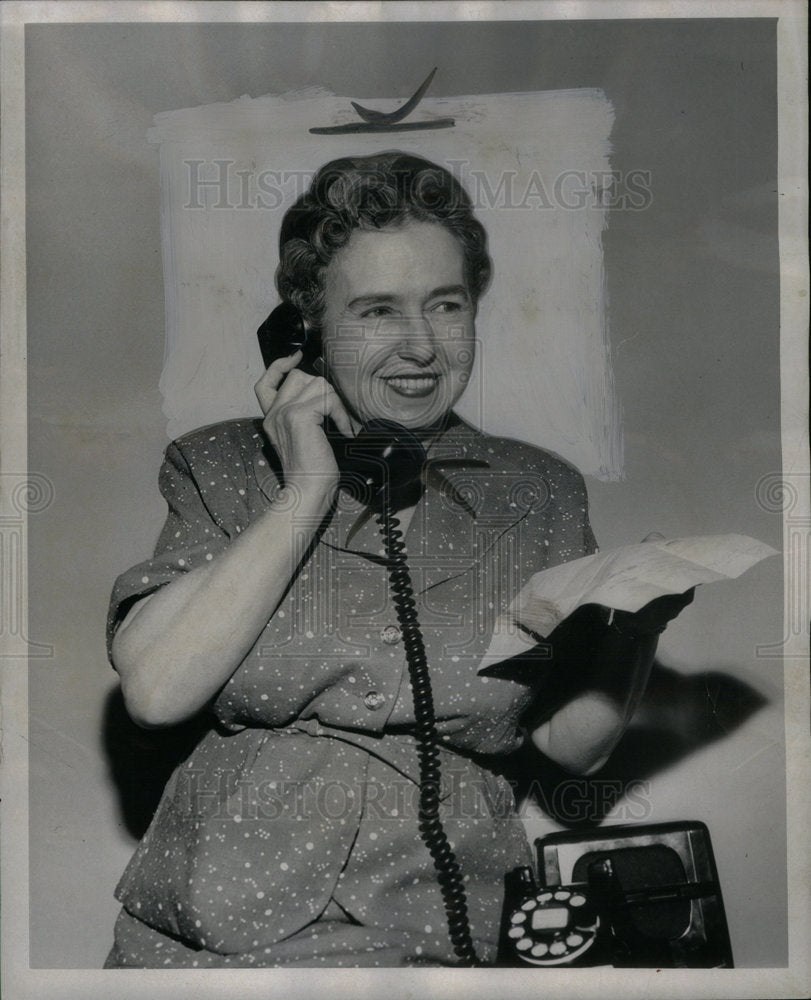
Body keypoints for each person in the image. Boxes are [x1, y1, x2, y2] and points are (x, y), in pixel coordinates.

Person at [104, 152, 691, 968]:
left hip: (443, 924)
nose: (421, 346)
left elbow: (569, 750)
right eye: (377, 311)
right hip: (212, 935)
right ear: (306, 329)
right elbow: (158, 691)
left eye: (445, 305)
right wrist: (305, 485)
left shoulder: (540, 491)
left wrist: (634, 627)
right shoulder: (221, 469)